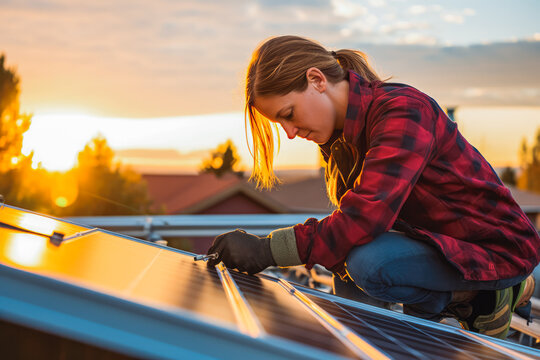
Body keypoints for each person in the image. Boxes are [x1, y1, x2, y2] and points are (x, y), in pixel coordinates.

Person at [207, 35, 539, 339]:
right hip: (431, 247)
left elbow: (364, 217)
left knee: (367, 263)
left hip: (492, 249)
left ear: (316, 80)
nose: (290, 133)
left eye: (289, 114)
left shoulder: (403, 110)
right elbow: (348, 228)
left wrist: (268, 250)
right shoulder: (340, 141)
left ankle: (485, 295)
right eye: (280, 124)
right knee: (352, 296)